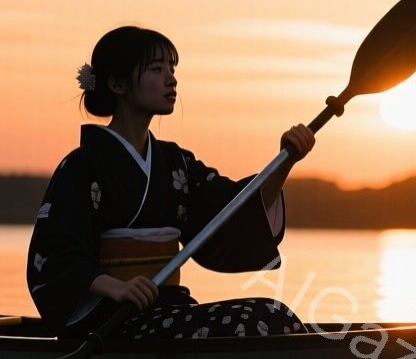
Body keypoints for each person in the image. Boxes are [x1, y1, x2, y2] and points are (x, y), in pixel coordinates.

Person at [27, 26, 313, 340]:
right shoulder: (83, 166)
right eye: (157, 69)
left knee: (274, 315)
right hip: (110, 320)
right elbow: (55, 258)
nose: (171, 78)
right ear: (117, 84)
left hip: (166, 311)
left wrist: (285, 162)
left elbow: (233, 210)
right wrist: (118, 288)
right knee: (248, 323)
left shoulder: (177, 164)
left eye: (172, 69)